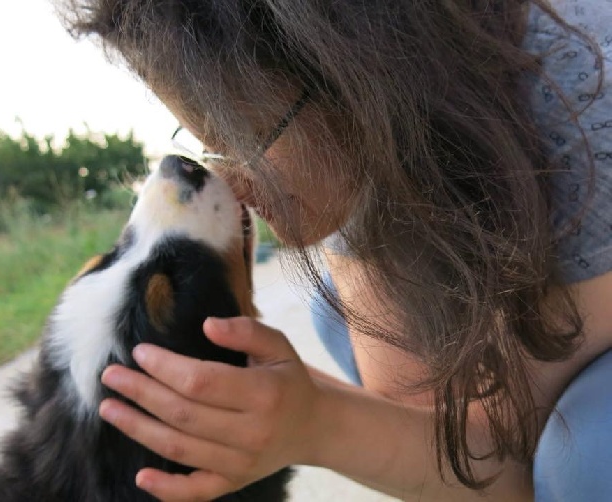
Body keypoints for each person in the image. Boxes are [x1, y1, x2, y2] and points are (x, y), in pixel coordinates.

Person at [59, 0, 612, 500]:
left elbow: (505, 474)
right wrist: (275, 404)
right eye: (211, 141)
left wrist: (317, 424)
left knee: (584, 457)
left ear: (352, 68)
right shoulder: (355, 128)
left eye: (249, 140)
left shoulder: (580, 101)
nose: (231, 183)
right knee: (334, 308)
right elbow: (427, 425)